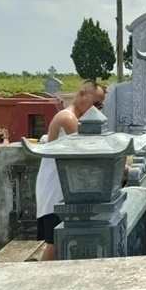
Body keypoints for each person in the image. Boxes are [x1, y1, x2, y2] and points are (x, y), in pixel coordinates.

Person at [35, 81, 105, 261]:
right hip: (55, 188)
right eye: (96, 103)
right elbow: (87, 150)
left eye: (101, 105)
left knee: (62, 240)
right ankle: (39, 276)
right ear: (82, 95)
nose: (98, 109)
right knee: (56, 242)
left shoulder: (78, 119)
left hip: (66, 188)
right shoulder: (68, 118)